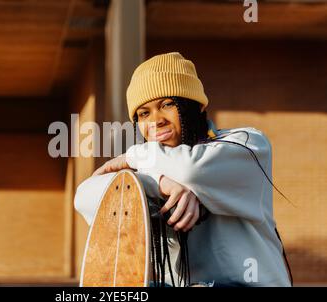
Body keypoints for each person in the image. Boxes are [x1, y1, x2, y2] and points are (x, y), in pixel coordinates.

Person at [74, 52, 292, 287]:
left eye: (167, 104)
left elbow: (190, 170)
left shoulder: (246, 144)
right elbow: (84, 196)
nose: (156, 121)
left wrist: (132, 156)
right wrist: (160, 185)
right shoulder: (152, 168)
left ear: (194, 105)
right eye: (144, 113)